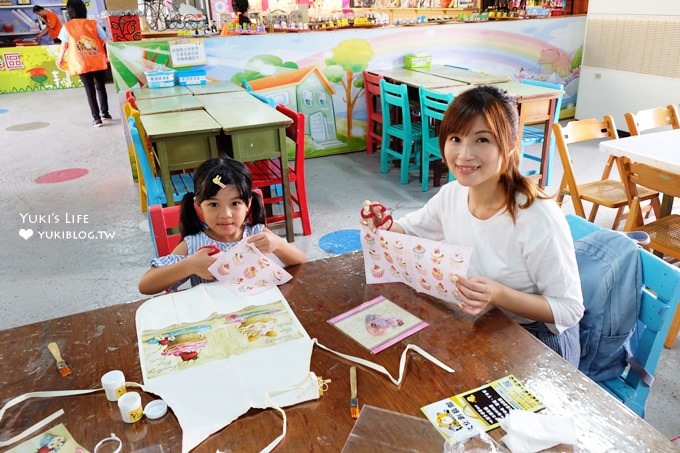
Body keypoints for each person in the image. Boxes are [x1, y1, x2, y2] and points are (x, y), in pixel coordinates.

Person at [361, 85, 584, 366]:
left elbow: (569, 309)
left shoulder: (537, 216)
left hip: (537, 340)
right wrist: (382, 223)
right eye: (455, 138)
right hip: (485, 321)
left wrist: (498, 294)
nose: (464, 154)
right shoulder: (452, 194)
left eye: (482, 140)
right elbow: (409, 229)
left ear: (511, 143)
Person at [139, 158, 307, 295]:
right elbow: (146, 285)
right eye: (213, 204)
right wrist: (189, 265)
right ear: (199, 206)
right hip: (216, 320)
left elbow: (301, 261)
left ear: (248, 204)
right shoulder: (194, 246)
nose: (226, 214)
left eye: (235, 203)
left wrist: (277, 244)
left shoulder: (256, 233)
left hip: (257, 314)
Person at [56, 0, 111, 128]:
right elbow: (105, 40)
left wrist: (59, 59)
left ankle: (96, 119)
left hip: (81, 62)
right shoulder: (93, 24)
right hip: (97, 60)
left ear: (69, 12)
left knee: (89, 90)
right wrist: (108, 56)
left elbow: (64, 45)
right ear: (83, 10)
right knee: (100, 87)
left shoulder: (67, 26)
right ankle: (105, 113)